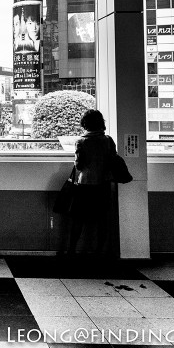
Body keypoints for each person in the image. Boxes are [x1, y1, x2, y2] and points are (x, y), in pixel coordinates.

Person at [67, 108, 116, 256]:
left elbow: (79, 166)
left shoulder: (81, 142)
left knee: (78, 219)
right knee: (102, 220)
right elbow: (112, 161)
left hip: (85, 185)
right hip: (104, 185)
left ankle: (71, 251)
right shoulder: (108, 141)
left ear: (85, 124)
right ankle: (100, 252)